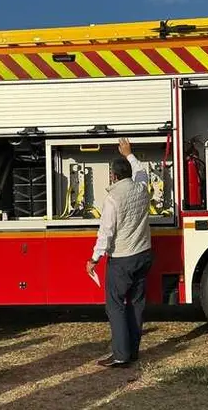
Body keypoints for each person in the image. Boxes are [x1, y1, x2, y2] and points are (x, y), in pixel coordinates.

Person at [86, 138, 152, 368]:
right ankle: (133, 351)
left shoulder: (113, 199)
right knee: (136, 304)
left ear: (113, 176)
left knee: (115, 306)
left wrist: (94, 258)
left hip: (122, 259)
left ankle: (121, 355)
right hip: (143, 254)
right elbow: (142, 172)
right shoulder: (141, 189)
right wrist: (129, 154)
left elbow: (106, 232)